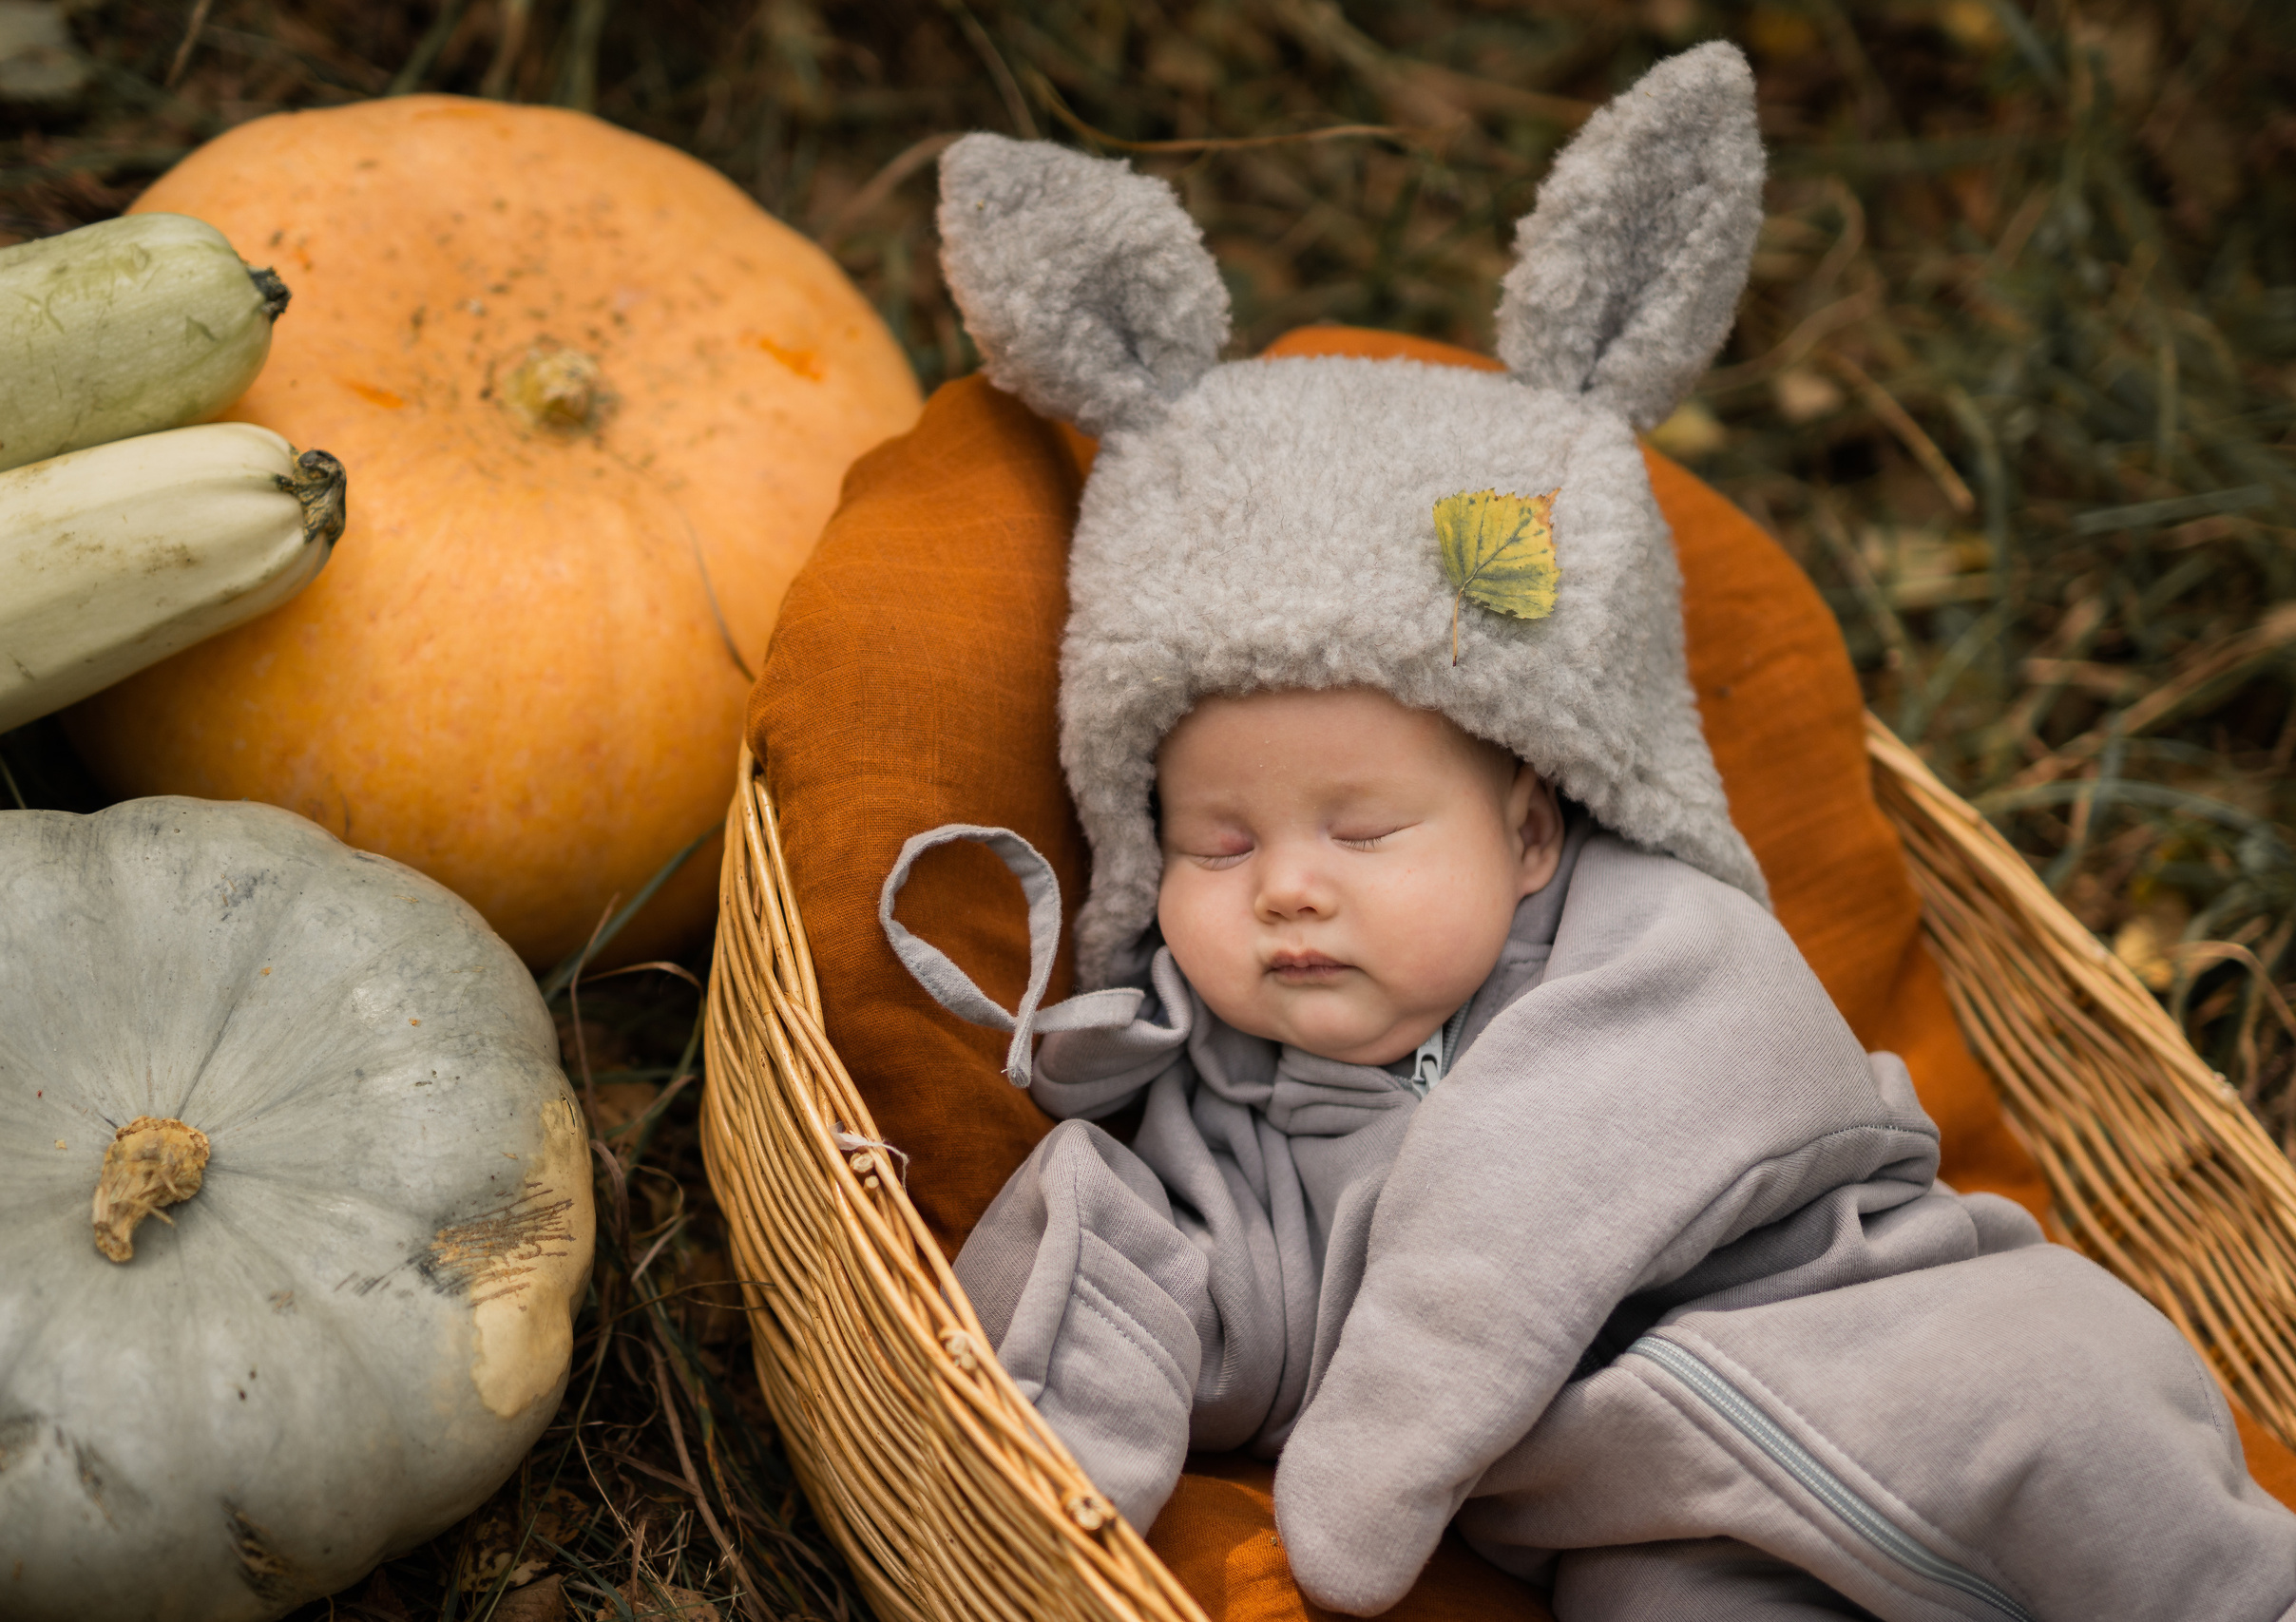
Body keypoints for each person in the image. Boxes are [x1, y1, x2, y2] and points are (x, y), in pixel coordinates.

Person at [877, 46, 2296, 1621]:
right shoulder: (1222, 1124)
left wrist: (1385, 1439)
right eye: (1213, 846)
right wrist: (1082, 1340)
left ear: (1533, 832)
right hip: (1651, 1520)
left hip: (1894, 1344)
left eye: (1365, 829)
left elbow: (1551, 1179)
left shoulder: (1658, 945)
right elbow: (1204, 1317)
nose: (1287, 886)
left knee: (2065, 1413)